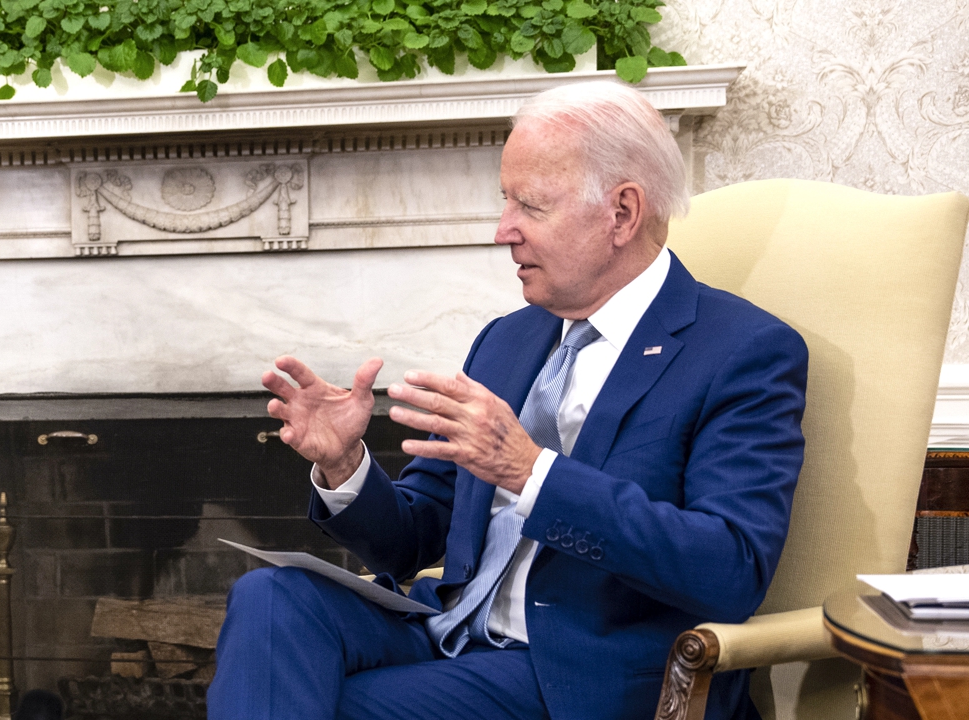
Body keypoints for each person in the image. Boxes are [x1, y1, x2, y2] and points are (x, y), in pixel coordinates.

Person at [207, 81, 809, 720]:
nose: (503, 231)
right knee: (271, 598)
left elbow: (730, 569)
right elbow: (413, 539)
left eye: (532, 205)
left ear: (622, 213)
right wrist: (345, 466)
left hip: (578, 673)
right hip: (452, 630)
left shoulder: (742, 350)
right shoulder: (507, 340)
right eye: (506, 201)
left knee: (321, 702)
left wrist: (531, 472)